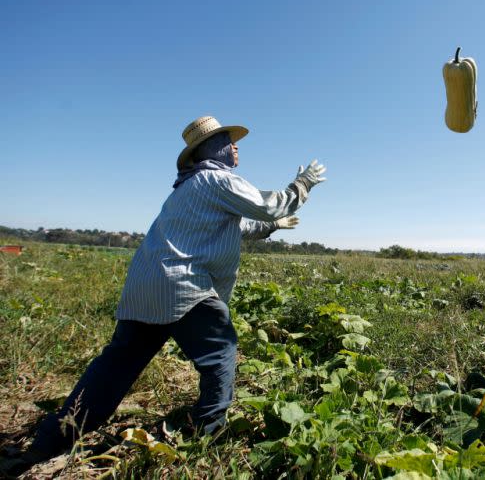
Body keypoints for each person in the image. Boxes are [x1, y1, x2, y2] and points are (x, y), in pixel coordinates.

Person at [25, 115, 327, 463]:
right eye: (230, 141)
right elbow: (271, 203)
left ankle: (52, 440)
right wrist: (302, 184)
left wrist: (272, 225)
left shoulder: (191, 187)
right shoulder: (218, 180)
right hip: (183, 285)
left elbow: (239, 227)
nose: (236, 146)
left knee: (116, 365)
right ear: (214, 148)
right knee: (220, 355)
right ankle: (206, 436)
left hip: (145, 286)